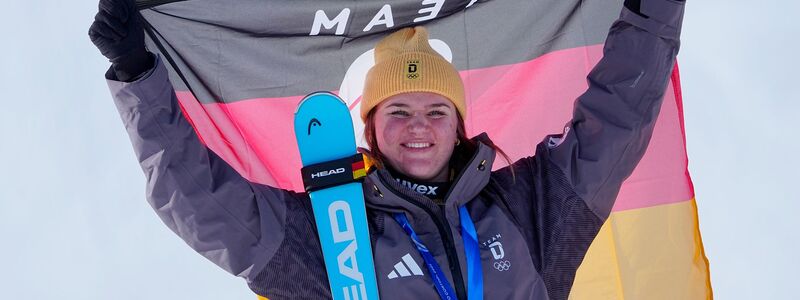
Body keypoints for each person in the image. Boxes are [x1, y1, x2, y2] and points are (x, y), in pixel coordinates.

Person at [89, 0, 686, 299]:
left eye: (435, 111)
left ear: (460, 126)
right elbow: (199, 201)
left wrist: (653, 12)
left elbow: (616, 120)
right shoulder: (329, 235)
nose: (418, 126)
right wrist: (137, 71)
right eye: (397, 111)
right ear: (370, 129)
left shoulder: (531, 210)